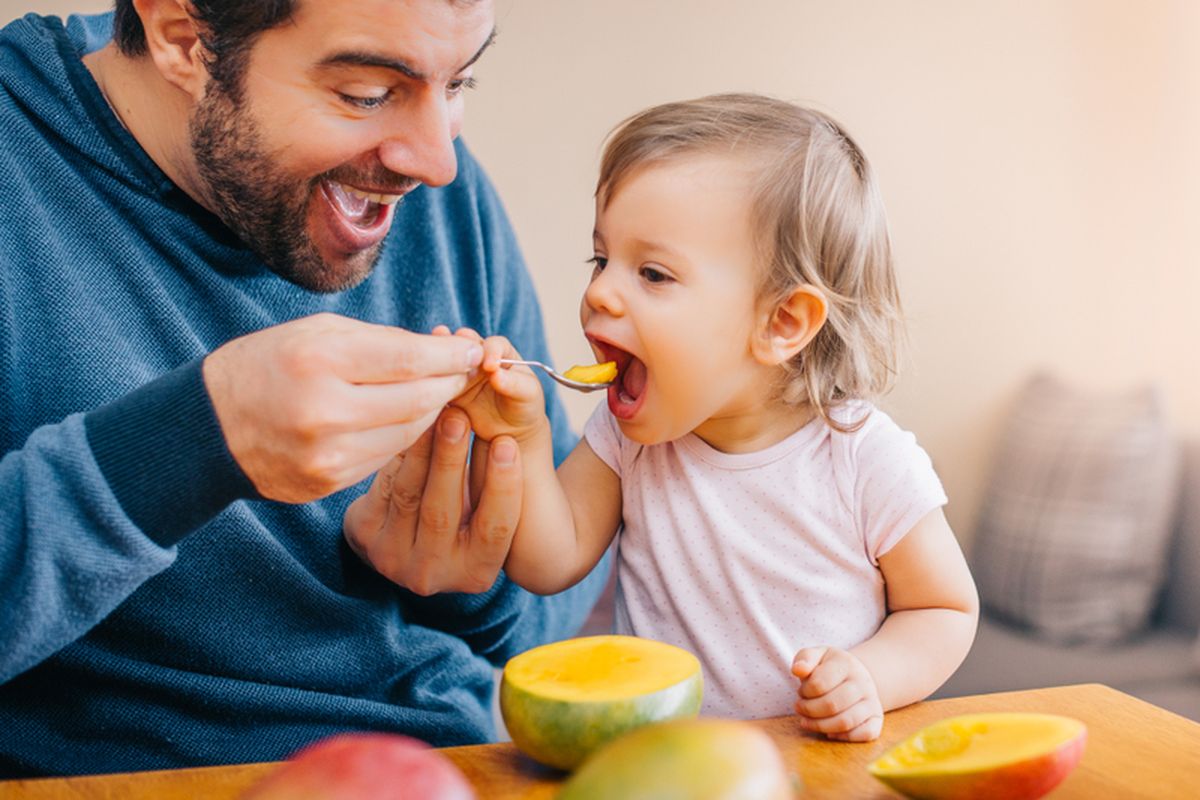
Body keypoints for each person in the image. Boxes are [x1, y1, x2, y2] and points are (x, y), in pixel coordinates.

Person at [0, 0, 606, 778]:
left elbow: (549, 629)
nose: (437, 163)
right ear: (183, 38)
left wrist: (472, 578)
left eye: (460, 82)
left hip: (459, 764)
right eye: (365, 95)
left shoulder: (431, 192)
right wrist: (196, 439)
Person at [450, 93, 980, 742]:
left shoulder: (865, 458)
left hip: (817, 768)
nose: (598, 292)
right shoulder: (629, 439)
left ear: (781, 322)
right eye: (601, 260)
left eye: (652, 273)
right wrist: (523, 436)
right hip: (665, 765)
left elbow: (945, 607)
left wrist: (870, 676)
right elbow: (547, 562)